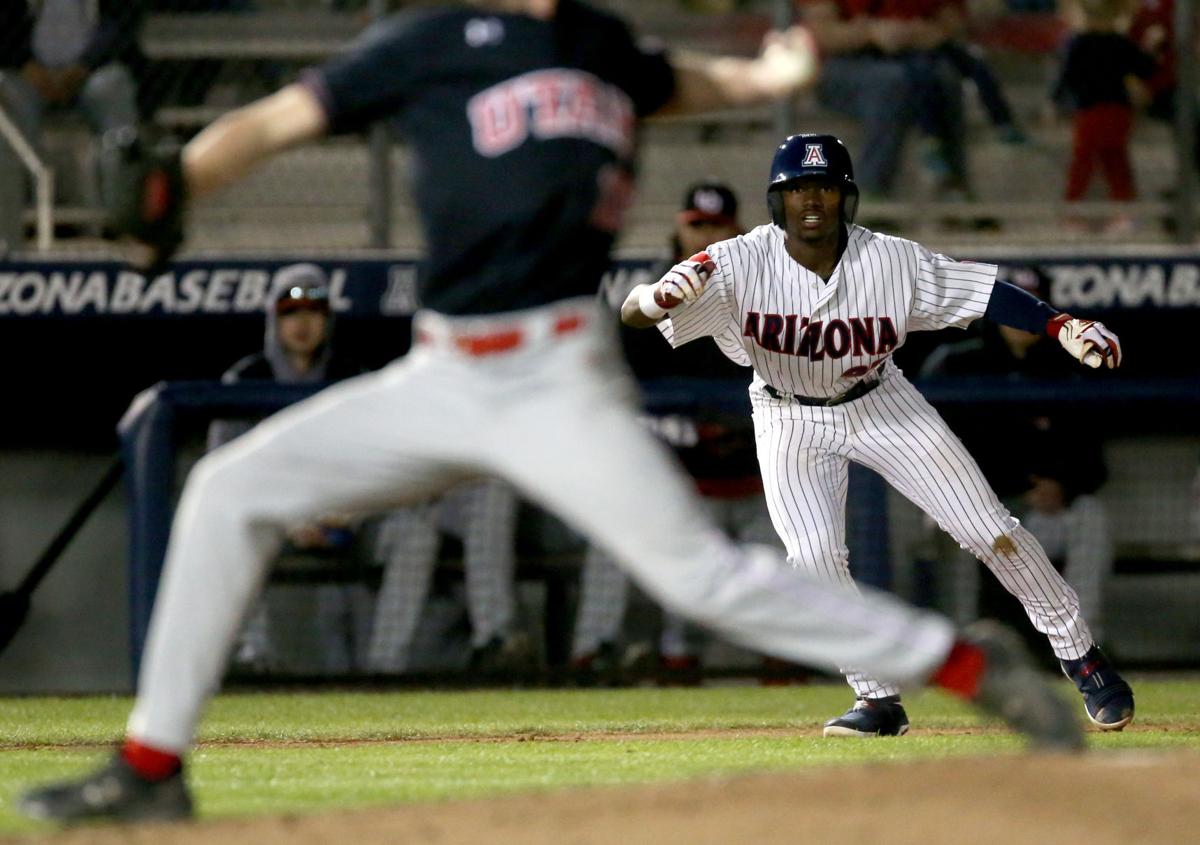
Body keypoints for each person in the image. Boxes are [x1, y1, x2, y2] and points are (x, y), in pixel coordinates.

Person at [21, 2, 1081, 825]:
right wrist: (180, 182)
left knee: (698, 575)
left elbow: (678, 84)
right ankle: (152, 764)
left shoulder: (598, 41)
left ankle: (969, 663)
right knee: (226, 487)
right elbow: (276, 119)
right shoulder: (432, 40)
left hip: (556, 376)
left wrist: (770, 78)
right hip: (439, 370)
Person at [620, 133, 1134, 739]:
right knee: (812, 561)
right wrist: (656, 297)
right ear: (777, 201)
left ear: (847, 198)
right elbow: (633, 313)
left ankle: (1081, 655)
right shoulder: (736, 261)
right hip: (786, 415)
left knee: (989, 530)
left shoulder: (892, 261)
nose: (811, 200)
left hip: (880, 402)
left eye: (825, 188)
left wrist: (1059, 324)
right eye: (798, 189)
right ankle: (876, 698)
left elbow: (981, 289)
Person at [571, 181, 786, 685]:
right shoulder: (645, 303)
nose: (704, 235)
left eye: (715, 225)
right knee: (653, 557)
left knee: (791, 564)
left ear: (735, 229)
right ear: (677, 226)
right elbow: (617, 394)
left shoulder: (768, 297)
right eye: (696, 224)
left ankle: (785, 663)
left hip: (759, 481)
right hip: (678, 480)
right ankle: (606, 654)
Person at [920, 266, 1116, 647]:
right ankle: (958, 648)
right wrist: (1010, 485)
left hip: (1041, 514)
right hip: (973, 508)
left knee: (1091, 515)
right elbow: (930, 448)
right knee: (946, 522)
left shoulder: (1066, 369)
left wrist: (1062, 487)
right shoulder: (956, 364)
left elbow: (1093, 458)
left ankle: (1084, 642)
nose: (1020, 321)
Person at [207, 264, 371, 674]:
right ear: (274, 319)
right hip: (274, 514)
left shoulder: (352, 377)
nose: (302, 323)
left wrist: (351, 514)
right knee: (235, 525)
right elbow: (222, 470)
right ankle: (255, 656)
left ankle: (386, 666)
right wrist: (290, 518)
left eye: (313, 311)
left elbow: (377, 462)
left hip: (345, 514)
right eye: (290, 312)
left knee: (411, 528)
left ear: (326, 319)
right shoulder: (246, 378)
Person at [0, 0, 146, 252]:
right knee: (8, 98)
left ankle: (124, 223)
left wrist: (84, 65)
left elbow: (122, 24)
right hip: (26, 73)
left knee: (114, 87)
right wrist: (25, 63)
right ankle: (15, 234)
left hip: (94, 70)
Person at [795, 0, 974, 203]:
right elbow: (822, 34)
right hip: (841, 64)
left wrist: (919, 34)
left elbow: (954, 24)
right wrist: (870, 34)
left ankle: (951, 182)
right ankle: (871, 188)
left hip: (916, 59)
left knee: (944, 77)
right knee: (891, 82)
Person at [367, 478, 532, 677]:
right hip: (390, 508)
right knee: (416, 537)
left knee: (494, 493)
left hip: (452, 497)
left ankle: (495, 639)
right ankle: (384, 666)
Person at [1052, 0, 1158, 234]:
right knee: (1096, 160)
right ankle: (1083, 212)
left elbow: (1067, 79)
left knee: (1107, 160)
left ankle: (1113, 212)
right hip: (1097, 110)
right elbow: (1147, 68)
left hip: (1107, 110)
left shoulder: (1109, 43)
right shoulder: (1094, 43)